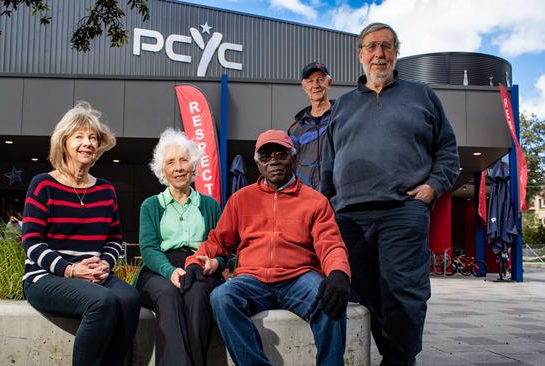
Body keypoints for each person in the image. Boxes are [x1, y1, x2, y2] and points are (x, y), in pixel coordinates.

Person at [320, 23, 460, 366]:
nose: (378, 54)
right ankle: (398, 357)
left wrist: (433, 187)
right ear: (360, 54)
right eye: (371, 47)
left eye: (386, 46)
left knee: (405, 291)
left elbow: (448, 151)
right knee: (365, 290)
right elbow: (328, 163)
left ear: (396, 52)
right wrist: (326, 209)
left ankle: (399, 359)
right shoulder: (344, 105)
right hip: (350, 215)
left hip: (403, 208)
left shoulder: (422, 95)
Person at [183, 129, 351, 366]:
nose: (273, 161)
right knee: (222, 297)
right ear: (258, 164)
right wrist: (193, 262)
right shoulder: (241, 199)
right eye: (265, 156)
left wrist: (338, 273)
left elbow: (331, 244)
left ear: (292, 158)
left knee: (330, 300)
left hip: (299, 278)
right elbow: (217, 241)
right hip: (253, 280)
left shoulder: (315, 201)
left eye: (280, 154)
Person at [22, 102, 141, 366]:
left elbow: (114, 239)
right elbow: (31, 241)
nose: (87, 143)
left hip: (93, 274)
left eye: (93, 138)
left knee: (130, 299)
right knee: (103, 302)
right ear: (64, 142)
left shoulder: (106, 190)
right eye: (79, 137)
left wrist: (105, 263)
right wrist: (70, 270)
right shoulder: (43, 184)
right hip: (46, 277)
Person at [135, 128, 224, 366]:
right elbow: (149, 249)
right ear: (162, 170)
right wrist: (169, 271)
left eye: (184, 160)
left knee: (197, 296)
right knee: (167, 293)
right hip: (159, 268)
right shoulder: (151, 205)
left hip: (200, 266)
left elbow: (224, 247)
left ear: (193, 165)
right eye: (171, 162)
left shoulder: (210, 205)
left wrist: (215, 262)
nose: (179, 167)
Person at [288, 62, 335, 191]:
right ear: (304, 87)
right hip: (306, 198)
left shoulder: (342, 116)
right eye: (310, 81)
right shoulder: (295, 129)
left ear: (329, 82)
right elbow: (290, 168)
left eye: (320, 79)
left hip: (338, 196)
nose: (316, 85)